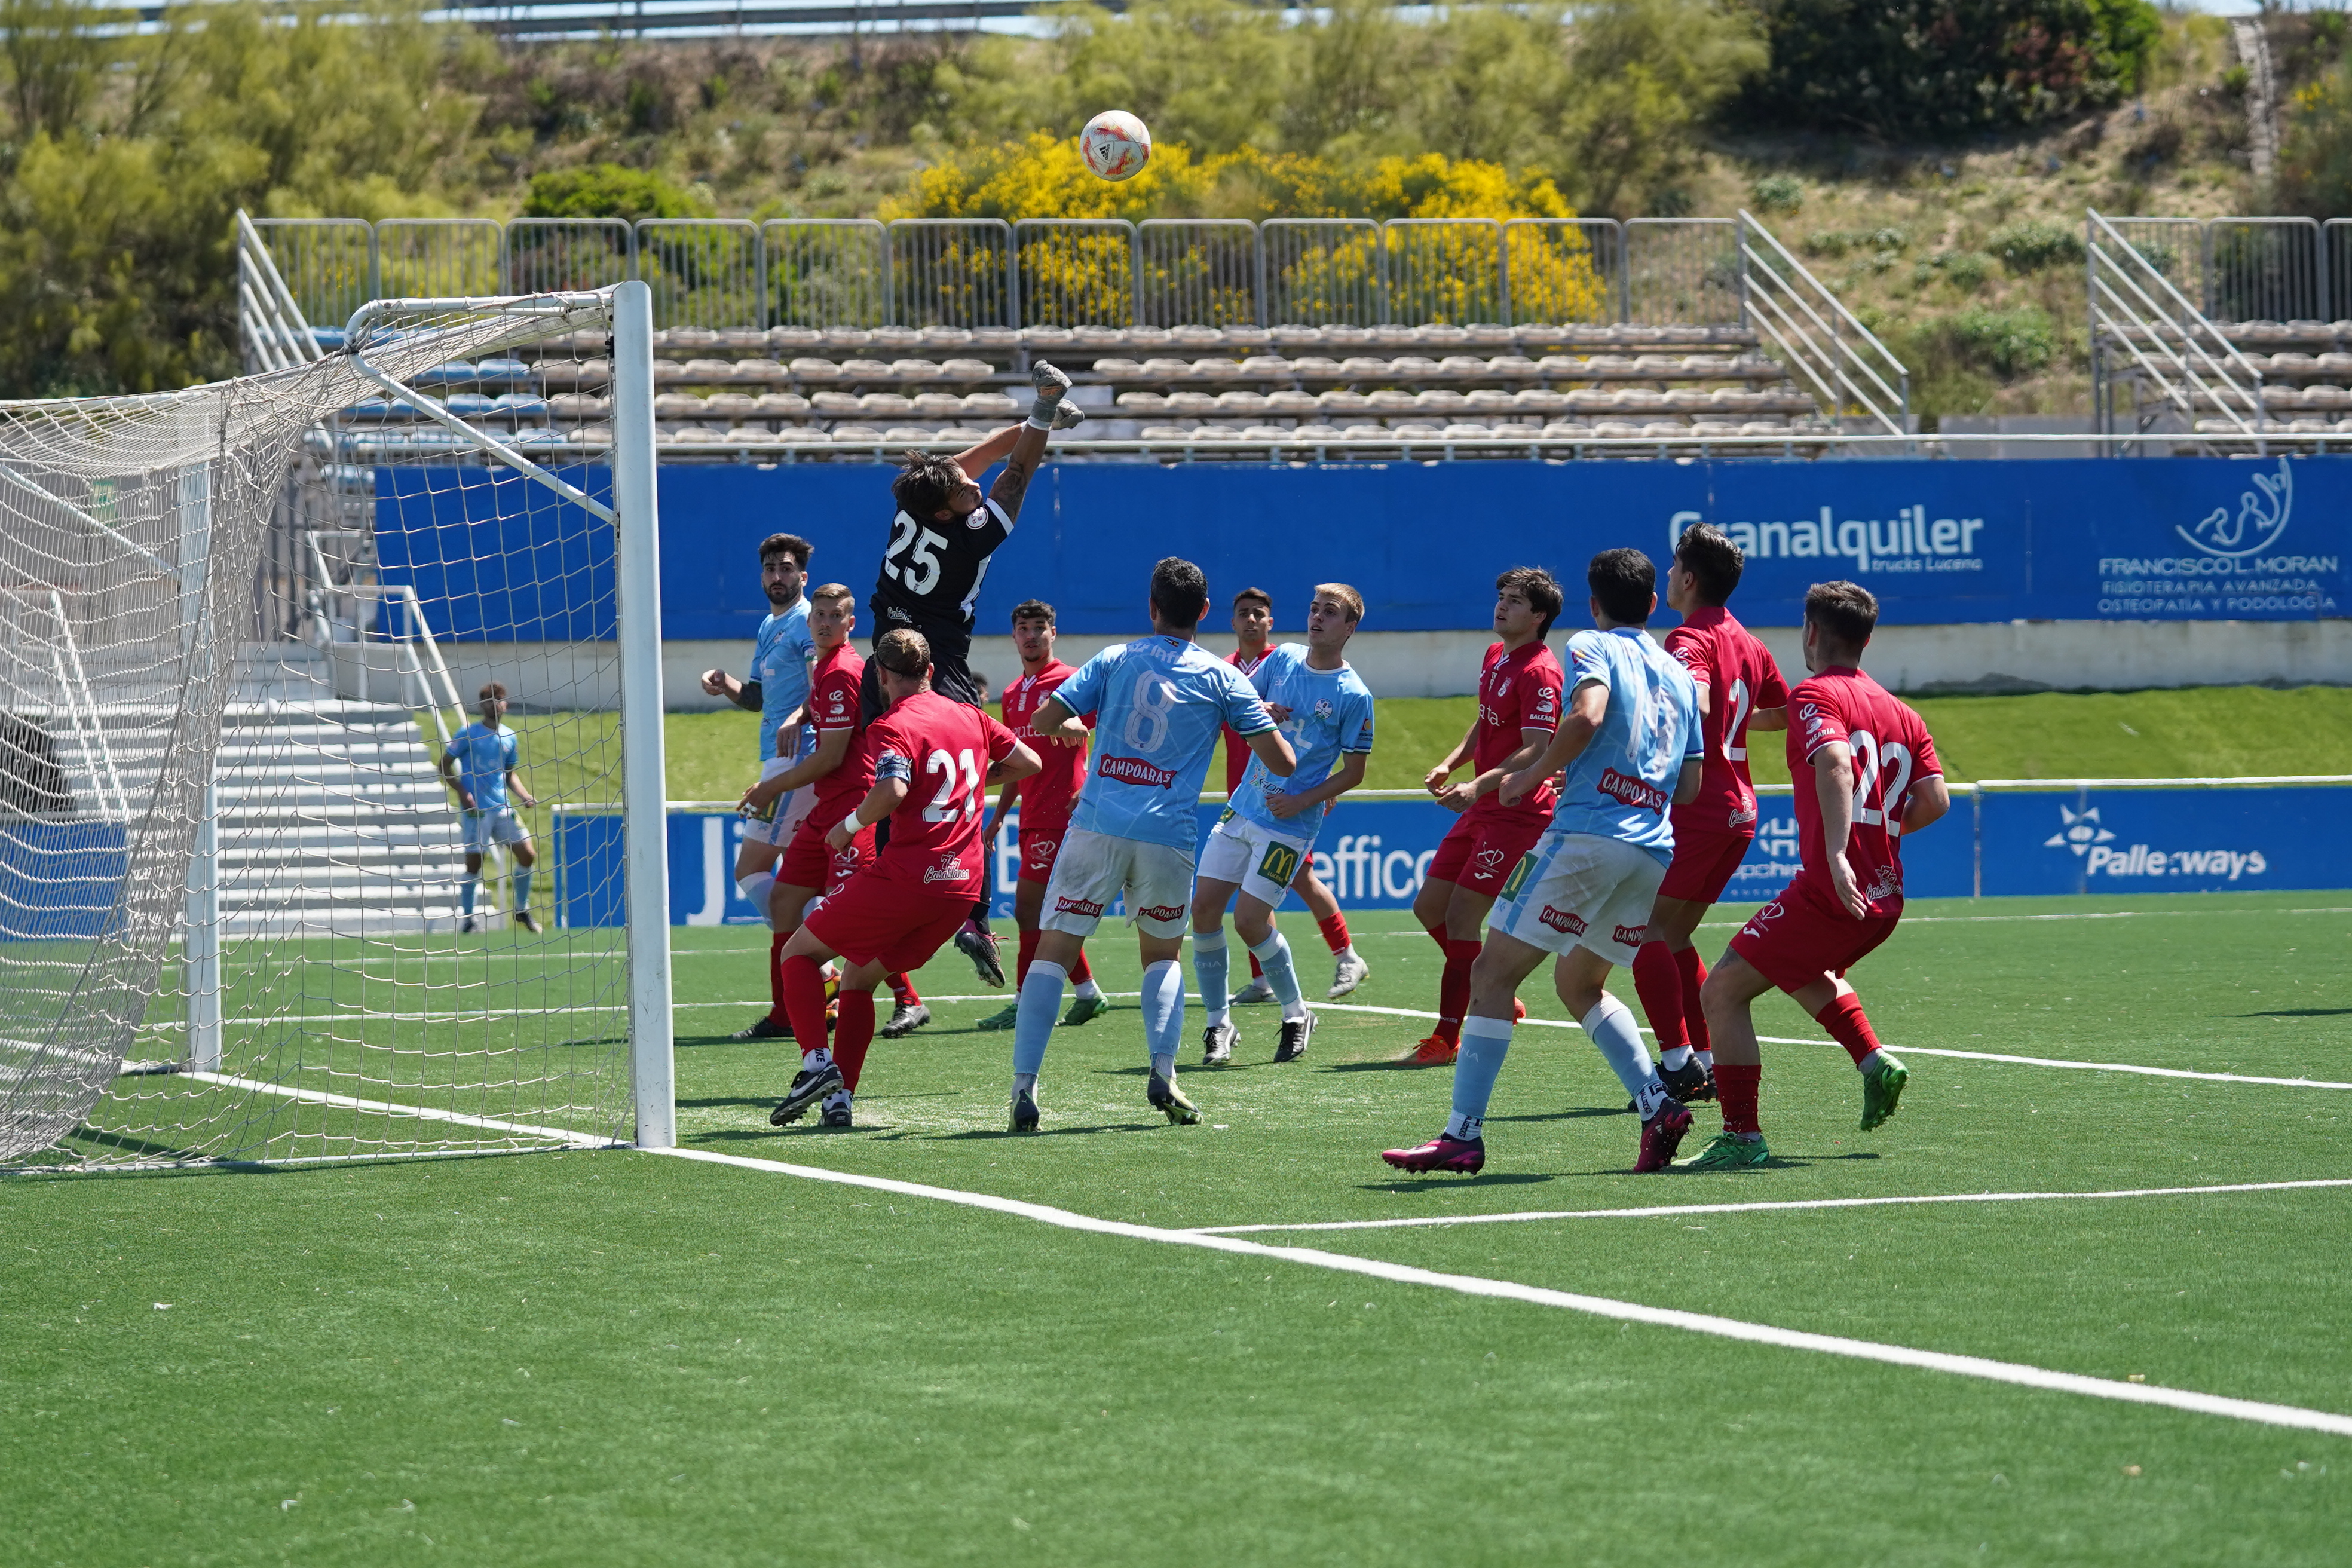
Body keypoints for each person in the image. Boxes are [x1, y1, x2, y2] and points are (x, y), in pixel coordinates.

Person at [1382, 549, 1703, 1178]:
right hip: (1651, 848)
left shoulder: (1592, 645)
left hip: (1585, 834)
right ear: (1653, 604)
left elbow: (1585, 716)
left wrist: (1533, 772)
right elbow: (1689, 784)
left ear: (1592, 604)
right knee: (1578, 983)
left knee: (1493, 975)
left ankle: (1462, 1135)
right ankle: (1657, 1103)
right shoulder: (1682, 674)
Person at [1002, 558, 1296, 1133]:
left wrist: (1079, 730)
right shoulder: (1222, 677)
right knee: (1161, 956)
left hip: (1097, 825)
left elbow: (1045, 715)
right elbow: (1282, 761)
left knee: (1052, 953)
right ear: (1205, 613)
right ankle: (1164, 1071)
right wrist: (1262, 722)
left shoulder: (1115, 657)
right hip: (1168, 834)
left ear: (1152, 607)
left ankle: (1023, 1086)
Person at [1688, 581, 1949, 1171]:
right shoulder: (1903, 712)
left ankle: (1742, 1135)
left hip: (1834, 887)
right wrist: (1878, 836)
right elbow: (1936, 800)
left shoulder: (1815, 695)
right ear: (1866, 638)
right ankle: (1873, 1060)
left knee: (1722, 989)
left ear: (1810, 633)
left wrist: (1837, 851)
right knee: (1796, 966)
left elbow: (1833, 759)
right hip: (1884, 894)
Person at [863, 365, 1083, 992]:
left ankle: (891, 877)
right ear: (948, 507)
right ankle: (973, 916)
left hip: (885, 654)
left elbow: (963, 467)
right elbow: (1015, 475)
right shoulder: (971, 538)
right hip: (937, 664)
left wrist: (1028, 424)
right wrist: (1039, 416)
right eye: (965, 489)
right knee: (967, 775)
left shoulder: (913, 510)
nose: (973, 485)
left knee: (893, 772)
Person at [767, 629, 1039, 1131]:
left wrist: (847, 828)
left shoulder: (891, 723)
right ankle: (839, 1099)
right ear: (930, 671)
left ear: (882, 676)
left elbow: (892, 788)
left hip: (911, 877)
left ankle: (814, 1067)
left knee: (798, 954)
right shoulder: (971, 715)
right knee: (858, 977)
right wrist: (975, 777)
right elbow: (1030, 762)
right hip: (962, 890)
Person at [1631, 523, 1788, 1102]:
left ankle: (1676, 1064)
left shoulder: (1686, 639)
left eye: (1673, 567)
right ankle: (1707, 1057)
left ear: (1689, 577)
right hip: (1741, 810)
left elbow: (1694, 696)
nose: (1668, 576)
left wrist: (1686, 714)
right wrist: (1730, 722)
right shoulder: (1746, 639)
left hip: (1698, 807)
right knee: (1673, 932)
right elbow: (1780, 709)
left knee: (1641, 929)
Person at [1193, 584, 1374, 1068]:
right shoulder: (1285, 658)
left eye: (1330, 612)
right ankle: (1218, 1025)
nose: (1317, 617)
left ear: (1350, 628)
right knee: (1204, 910)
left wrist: (1304, 801)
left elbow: (1354, 772)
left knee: (1249, 920)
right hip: (1243, 806)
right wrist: (1260, 709)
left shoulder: (1354, 694)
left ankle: (1296, 1013)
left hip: (1291, 826)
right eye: (1314, 608)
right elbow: (1241, 701)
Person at [1400, 568, 1567, 1065]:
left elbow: (1537, 747)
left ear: (1538, 616)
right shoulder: (1496, 655)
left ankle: (1447, 1039)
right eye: (1501, 597)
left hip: (1518, 813)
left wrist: (1477, 784)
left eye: (1515, 601)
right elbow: (1486, 719)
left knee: (1460, 918)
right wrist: (1452, 762)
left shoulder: (1542, 670)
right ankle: (1496, 991)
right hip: (1484, 805)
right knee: (1428, 909)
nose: (1501, 606)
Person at [700, 534, 818, 1040]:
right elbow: (757, 698)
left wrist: (797, 716)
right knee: (796, 886)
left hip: (802, 757)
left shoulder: (809, 621)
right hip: (779, 757)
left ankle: (813, 978)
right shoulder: (769, 625)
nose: (777, 576)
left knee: (753, 870)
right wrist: (725, 683)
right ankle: (805, 990)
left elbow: (827, 687)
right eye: (770, 567)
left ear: (802, 576)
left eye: (787, 568)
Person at [978, 600, 1111, 1031]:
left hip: (1065, 814)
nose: (1031, 635)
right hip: (1033, 815)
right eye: (1023, 628)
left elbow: (1103, 735)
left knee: (1029, 909)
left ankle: (1025, 1001)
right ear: (1013, 636)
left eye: (1040, 627)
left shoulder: (1072, 682)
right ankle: (1088, 993)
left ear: (1054, 633)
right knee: (1046, 912)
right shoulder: (1014, 694)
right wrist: (999, 816)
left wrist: (1088, 782)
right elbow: (1017, 763)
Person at [439, 682, 540, 935]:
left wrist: (525, 795)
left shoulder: (509, 736)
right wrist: (463, 792)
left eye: (500, 699)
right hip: (477, 811)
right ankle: (469, 920)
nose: (495, 704)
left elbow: (509, 774)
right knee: (475, 864)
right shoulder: (467, 734)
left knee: (528, 854)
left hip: (503, 807)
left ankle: (521, 910)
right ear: (482, 705)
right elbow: (443, 765)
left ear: (506, 703)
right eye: (489, 700)